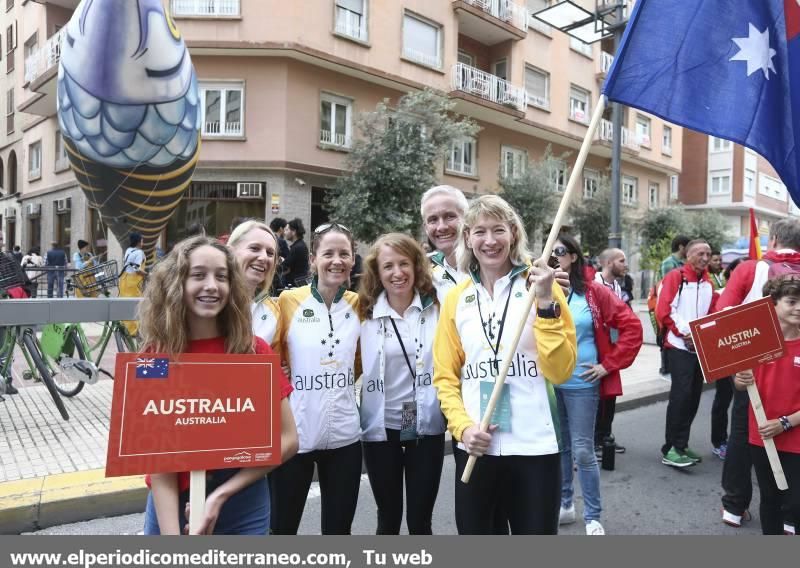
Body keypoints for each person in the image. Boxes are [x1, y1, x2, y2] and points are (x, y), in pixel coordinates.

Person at [433, 195, 577, 535]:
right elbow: (445, 376)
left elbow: (561, 371)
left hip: (535, 447)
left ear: (513, 233)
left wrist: (544, 303)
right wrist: (463, 429)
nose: (490, 240)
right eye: (480, 231)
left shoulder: (542, 285)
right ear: (467, 237)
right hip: (476, 448)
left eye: (499, 230)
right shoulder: (457, 298)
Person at [140, 236, 298, 535]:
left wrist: (218, 497)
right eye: (198, 275)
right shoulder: (153, 358)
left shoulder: (255, 351)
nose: (211, 286)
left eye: (221, 277)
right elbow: (156, 456)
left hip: (243, 503)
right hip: (169, 504)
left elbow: (288, 439)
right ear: (176, 283)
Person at [270, 222, 362, 535]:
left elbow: (359, 363)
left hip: (346, 438)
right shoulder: (288, 301)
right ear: (313, 259)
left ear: (352, 260)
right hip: (296, 436)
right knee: (282, 529)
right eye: (328, 254)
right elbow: (273, 354)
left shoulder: (358, 305)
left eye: (344, 254)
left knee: (338, 532)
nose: (337, 260)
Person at [551, 234, 643, 535]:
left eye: (560, 252)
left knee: (582, 450)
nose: (554, 256)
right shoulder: (539, 291)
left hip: (581, 383)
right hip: (549, 386)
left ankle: (593, 516)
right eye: (549, 252)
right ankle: (566, 504)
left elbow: (631, 326)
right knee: (560, 447)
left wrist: (608, 365)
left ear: (574, 257)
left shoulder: (592, 292)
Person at [716, 218, 800, 529]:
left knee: (742, 433)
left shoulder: (750, 268)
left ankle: (735, 506)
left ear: (774, 239)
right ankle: (792, 516)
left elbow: (723, 315)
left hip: (755, 364)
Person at [359, 233, 445, 535]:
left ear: (416, 265)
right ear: (377, 272)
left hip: (426, 426)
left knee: (421, 520)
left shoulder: (437, 307)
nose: (397, 273)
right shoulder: (363, 314)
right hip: (381, 430)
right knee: (389, 516)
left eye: (404, 263)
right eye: (388, 266)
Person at [733, 276, 800, 535]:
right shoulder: (754, 341)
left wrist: (784, 423)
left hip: (793, 435)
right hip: (762, 436)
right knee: (770, 500)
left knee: (795, 504)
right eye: (792, 301)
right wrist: (739, 379)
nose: (798, 308)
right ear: (772, 305)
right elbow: (741, 383)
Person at [656, 239, 719, 467]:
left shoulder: (708, 282)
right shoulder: (676, 277)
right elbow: (665, 310)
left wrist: (702, 336)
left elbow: (711, 312)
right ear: (689, 255)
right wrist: (687, 334)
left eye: (708, 254)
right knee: (680, 397)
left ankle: (680, 445)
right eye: (700, 253)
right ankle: (670, 448)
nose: (705, 258)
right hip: (679, 346)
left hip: (698, 347)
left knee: (692, 398)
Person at [592, 247, 631, 457]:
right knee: (598, 397)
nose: (626, 264)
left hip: (612, 349)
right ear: (608, 263)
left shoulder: (616, 285)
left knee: (610, 396)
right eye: (621, 260)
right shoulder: (594, 285)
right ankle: (595, 439)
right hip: (597, 349)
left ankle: (606, 436)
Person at [227, 220, 280, 345]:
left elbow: (274, 360)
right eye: (255, 248)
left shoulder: (274, 312)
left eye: (270, 253)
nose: (263, 258)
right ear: (230, 252)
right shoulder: (209, 300)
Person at [119, 233, 148, 336]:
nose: (143, 242)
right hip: (133, 282)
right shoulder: (139, 252)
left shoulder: (128, 250)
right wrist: (148, 274)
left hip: (124, 280)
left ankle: (126, 329)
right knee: (136, 306)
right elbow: (137, 270)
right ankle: (135, 331)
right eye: (142, 240)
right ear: (139, 241)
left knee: (126, 305)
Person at [281, 218, 310, 288]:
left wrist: (282, 261)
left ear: (294, 231)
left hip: (296, 284)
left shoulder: (297, 247)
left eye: (287, 230)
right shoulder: (300, 245)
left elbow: (285, 265)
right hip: (298, 282)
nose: (284, 232)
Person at [269, 217, 290, 291]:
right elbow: (288, 258)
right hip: (278, 275)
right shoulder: (281, 241)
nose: (286, 232)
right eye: (285, 229)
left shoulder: (268, 238)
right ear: (281, 229)